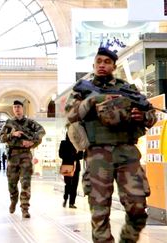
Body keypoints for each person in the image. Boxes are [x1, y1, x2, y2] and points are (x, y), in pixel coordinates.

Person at [65, 47, 157, 243]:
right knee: (100, 213)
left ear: (114, 66)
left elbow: (151, 115)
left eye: (107, 62)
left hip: (128, 152)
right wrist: (91, 102)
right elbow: (71, 114)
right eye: (99, 61)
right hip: (98, 154)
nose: (102, 65)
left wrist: (142, 116)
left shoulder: (128, 89)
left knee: (138, 209)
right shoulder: (82, 89)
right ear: (93, 65)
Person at [0, 100, 45, 219]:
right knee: (12, 183)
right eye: (15, 107)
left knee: (25, 183)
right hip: (13, 156)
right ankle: (13, 200)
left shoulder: (29, 122)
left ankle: (25, 208)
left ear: (22, 108)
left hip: (25, 156)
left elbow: (41, 131)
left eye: (18, 107)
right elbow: (1, 138)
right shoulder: (9, 123)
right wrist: (12, 135)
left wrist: (32, 142)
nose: (17, 109)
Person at [58, 133, 83, 209]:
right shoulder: (64, 143)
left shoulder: (78, 144)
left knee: (74, 185)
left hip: (76, 167)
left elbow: (81, 156)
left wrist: (74, 156)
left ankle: (71, 203)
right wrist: (73, 156)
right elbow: (61, 154)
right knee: (68, 184)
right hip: (67, 167)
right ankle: (65, 199)